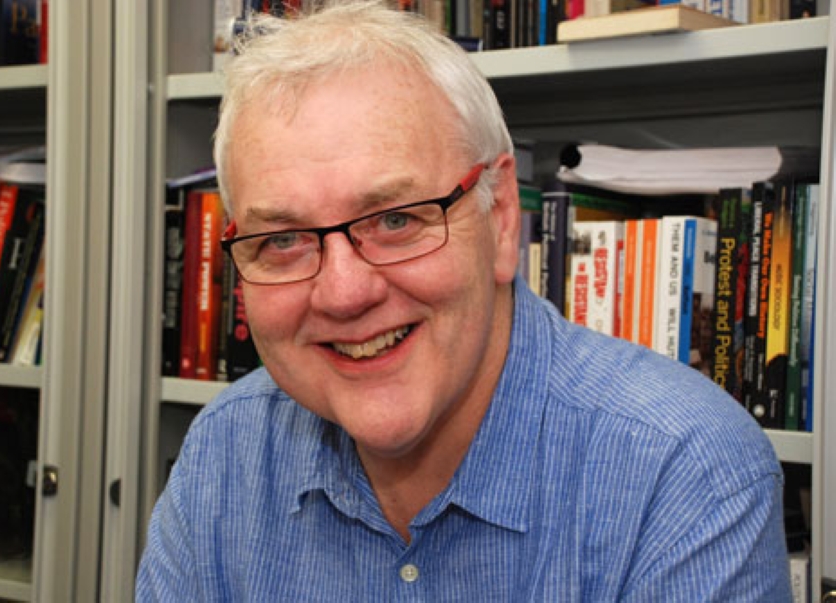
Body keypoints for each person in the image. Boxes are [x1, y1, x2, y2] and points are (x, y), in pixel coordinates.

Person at [136, 1, 791, 600]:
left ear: (501, 218)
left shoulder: (683, 472)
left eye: (396, 220)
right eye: (283, 239)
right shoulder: (226, 451)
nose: (344, 293)